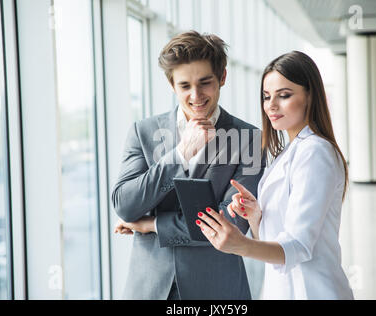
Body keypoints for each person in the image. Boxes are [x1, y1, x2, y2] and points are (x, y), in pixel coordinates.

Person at [111, 31, 265, 300]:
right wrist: (181, 153)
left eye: (205, 83)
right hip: (148, 288)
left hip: (217, 291)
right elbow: (125, 204)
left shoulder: (249, 139)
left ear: (223, 78)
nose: (196, 96)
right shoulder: (143, 131)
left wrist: (152, 224)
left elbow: (232, 226)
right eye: (184, 86)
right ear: (172, 85)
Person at [196, 51, 354, 300]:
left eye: (284, 95)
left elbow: (298, 247)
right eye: (266, 96)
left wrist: (240, 245)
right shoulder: (288, 151)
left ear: (310, 96)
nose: (271, 105)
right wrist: (257, 215)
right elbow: (276, 237)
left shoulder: (315, 152)